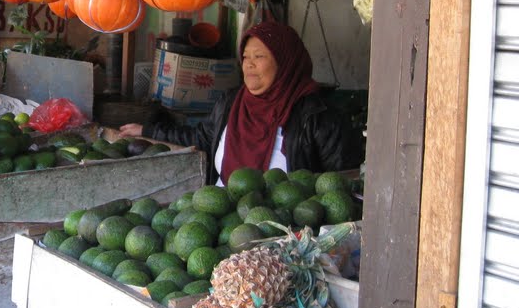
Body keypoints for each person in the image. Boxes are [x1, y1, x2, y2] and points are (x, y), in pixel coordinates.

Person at [120, 20, 362, 185]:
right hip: (221, 223)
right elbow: (200, 138)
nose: (249, 64)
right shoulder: (232, 102)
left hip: (283, 237)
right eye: (245, 56)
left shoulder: (318, 117)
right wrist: (147, 130)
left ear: (285, 62)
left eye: (259, 57)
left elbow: (343, 183)